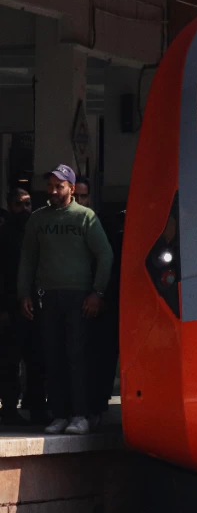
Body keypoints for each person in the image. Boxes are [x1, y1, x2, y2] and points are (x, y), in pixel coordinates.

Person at [17, 165, 113, 435]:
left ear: (71, 188)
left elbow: (105, 254)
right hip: (46, 295)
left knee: (77, 355)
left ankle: (80, 415)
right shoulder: (37, 219)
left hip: (79, 296)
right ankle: (58, 414)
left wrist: (98, 292)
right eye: (51, 186)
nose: (54, 191)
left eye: (59, 186)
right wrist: (23, 292)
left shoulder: (86, 217)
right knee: (53, 356)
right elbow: (27, 259)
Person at [74, 178, 123, 425]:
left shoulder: (100, 224)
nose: (79, 202)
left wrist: (101, 294)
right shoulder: (61, 223)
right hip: (72, 299)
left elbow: (111, 262)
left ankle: (97, 406)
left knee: (101, 355)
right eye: (76, 196)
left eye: (83, 197)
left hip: (101, 302)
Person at [0, 187, 38, 425]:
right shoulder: (4, 236)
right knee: (9, 361)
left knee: (36, 360)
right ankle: (10, 408)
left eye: (27, 204)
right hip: (10, 309)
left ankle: (36, 406)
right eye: (18, 204)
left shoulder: (36, 233)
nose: (24, 209)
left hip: (36, 307)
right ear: (10, 206)